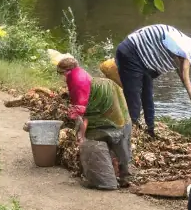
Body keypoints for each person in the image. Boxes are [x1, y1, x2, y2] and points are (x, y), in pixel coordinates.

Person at [55, 56, 133, 187]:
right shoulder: (83, 75)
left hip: (108, 110)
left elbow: (82, 114)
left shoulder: (76, 81)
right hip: (119, 110)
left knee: (93, 140)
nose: (62, 77)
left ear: (66, 72)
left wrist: (80, 136)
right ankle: (124, 176)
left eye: (61, 74)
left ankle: (105, 182)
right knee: (121, 140)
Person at [114, 25, 191, 137]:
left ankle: (150, 128)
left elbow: (184, 78)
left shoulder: (179, 49)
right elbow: (184, 77)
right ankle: (130, 131)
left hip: (145, 57)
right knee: (133, 96)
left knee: (148, 95)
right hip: (131, 52)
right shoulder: (172, 45)